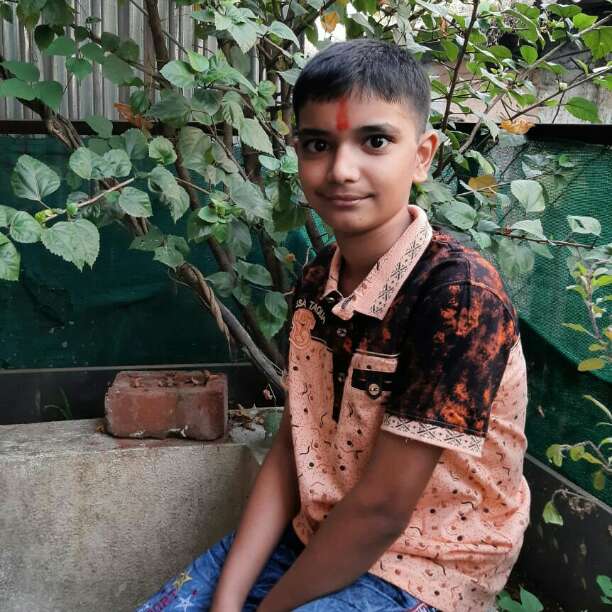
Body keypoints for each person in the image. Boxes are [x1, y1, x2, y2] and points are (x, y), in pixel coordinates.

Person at [135, 38, 530, 612]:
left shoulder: (459, 297)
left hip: (428, 565)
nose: (342, 170)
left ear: (422, 156)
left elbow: (382, 511)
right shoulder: (320, 279)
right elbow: (293, 443)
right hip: (318, 531)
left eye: (375, 141)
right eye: (319, 144)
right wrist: (228, 598)